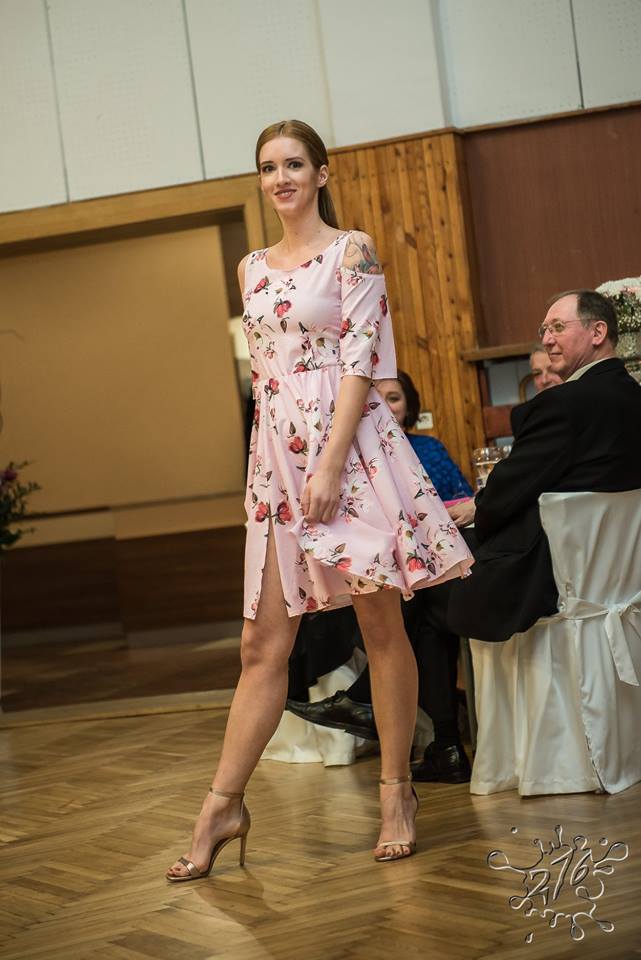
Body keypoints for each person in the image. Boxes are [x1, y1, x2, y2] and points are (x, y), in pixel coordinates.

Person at [166, 120, 473, 880]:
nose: (281, 178)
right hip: (276, 463)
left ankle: (396, 792)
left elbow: (362, 364)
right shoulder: (249, 267)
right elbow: (265, 377)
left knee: (380, 626)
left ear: (321, 174)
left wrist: (331, 464)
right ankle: (221, 807)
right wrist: (268, 478)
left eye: (294, 164)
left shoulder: (352, 250)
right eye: (268, 167)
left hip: (350, 454)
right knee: (261, 645)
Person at [286, 370, 475, 782]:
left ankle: (366, 703)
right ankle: (443, 742)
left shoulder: (427, 449)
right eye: (379, 398)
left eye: (394, 398)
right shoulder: (349, 461)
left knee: (419, 608)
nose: (386, 407)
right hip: (385, 574)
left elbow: (461, 501)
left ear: (409, 406)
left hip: (433, 566)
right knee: (418, 614)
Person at [448, 289, 641, 643]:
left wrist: (480, 506)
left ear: (597, 332)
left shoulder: (563, 404)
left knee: (434, 572)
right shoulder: (633, 396)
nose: (547, 339)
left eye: (558, 327)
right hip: (622, 581)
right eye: (544, 330)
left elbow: (506, 494)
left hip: (553, 580)